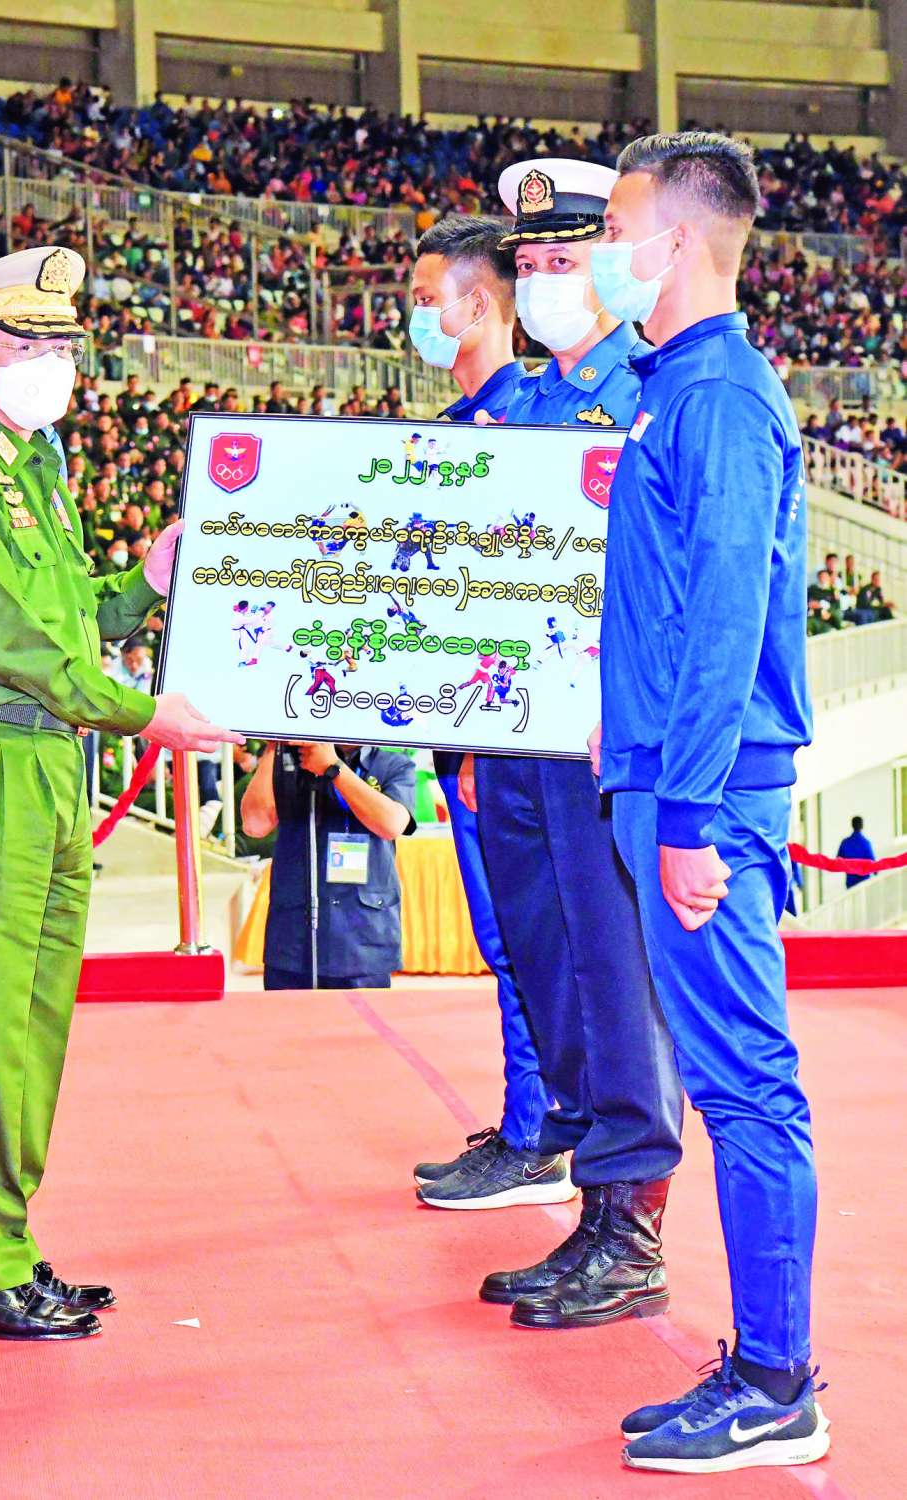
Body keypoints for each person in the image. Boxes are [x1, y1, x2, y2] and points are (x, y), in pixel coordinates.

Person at [0, 246, 241, 1342]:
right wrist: (143, 713)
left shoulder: (27, 467)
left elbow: (68, 616)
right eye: (31, 345)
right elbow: (9, 641)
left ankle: (3, 1237)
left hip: (37, 761)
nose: (56, 365)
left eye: (63, 346)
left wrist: (146, 584)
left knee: (28, 1022)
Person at [596, 130, 826, 1474]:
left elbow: (729, 613)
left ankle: (777, 1378)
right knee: (726, 1077)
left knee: (744, 1086)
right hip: (667, 775)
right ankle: (760, 1365)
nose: (603, 252)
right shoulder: (671, 385)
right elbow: (670, 601)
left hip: (707, 794)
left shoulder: (721, 399)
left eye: (614, 227)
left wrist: (683, 811)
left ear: (676, 241)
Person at [470, 160, 686, 1327]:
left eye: (564, 258)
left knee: (612, 972)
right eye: (530, 264)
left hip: (599, 745)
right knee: (548, 966)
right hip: (511, 739)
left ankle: (632, 1227)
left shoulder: (643, 393)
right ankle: (592, 1206)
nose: (545, 279)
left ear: (606, 264)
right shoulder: (514, 405)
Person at [404, 216, 567, 1212]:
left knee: (520, 941)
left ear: (478, 304)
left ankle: (536, 1135)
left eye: (427, 300)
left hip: (504, 736)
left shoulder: (532, 420)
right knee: (504, 939)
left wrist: (484, 735)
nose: (415, 317)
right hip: (460, 729)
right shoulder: (456, 424)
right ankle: (527, 1118)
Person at [240, 742, 415, 990]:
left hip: (363, 936)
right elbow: (254, 825)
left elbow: (391, 824)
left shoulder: (393, 764)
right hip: (294, 937)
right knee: (287, 1015)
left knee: (360, 1017)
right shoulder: (283, 759)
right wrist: (273, 745)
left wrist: (333, 767)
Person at [836, 815, 875, 889]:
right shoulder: (865, 843)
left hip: (850, 882)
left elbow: (838, 860)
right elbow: (872, 862)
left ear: (852, 825)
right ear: (862, 826)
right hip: (864, 882)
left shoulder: (845, 842)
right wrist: (876, 872)